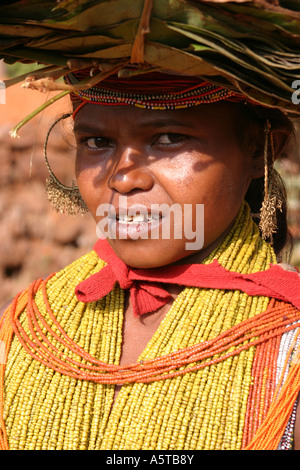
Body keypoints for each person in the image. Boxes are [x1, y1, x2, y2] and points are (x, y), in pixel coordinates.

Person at [0, 68, 300, 451]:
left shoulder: (287, 355)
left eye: (170, 138)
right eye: (97, 141)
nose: (124, 179)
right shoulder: (29, 327)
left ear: (258, 145)